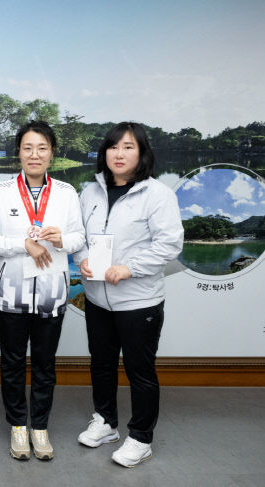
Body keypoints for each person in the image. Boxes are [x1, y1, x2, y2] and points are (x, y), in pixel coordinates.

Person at [75, 122, 183, 467]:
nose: (119, 154)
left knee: (140, 370)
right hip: (96, 297)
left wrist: (130, 267)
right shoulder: (90, 191)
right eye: (113, 147)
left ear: (142, 154)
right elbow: (78, 236)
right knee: (102, 364)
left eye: (128, 147)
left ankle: (140, 437)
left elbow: (170, 244)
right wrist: (83, 260)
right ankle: (105, 422)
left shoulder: (157, 194)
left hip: (139, 301)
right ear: (104, 153)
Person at [0, 121, 85, 461]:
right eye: (27, 148)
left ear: (52, 153)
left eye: (41, 148)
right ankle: (17, 426)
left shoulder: (67, 194)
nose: (34, 154)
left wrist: (61, 239)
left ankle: (40, 426)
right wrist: (24, 244)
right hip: (11, 293)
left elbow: (80, 238)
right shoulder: (1, 193)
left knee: (44, 364)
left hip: (52, 292)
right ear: (18, 154)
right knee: (11, 362)